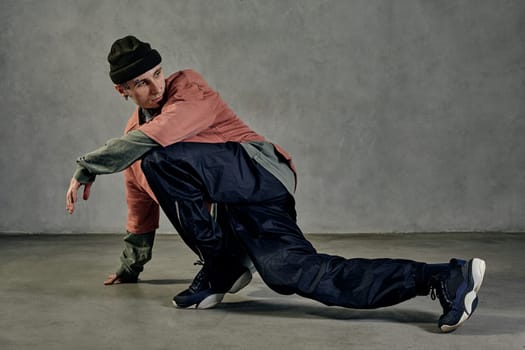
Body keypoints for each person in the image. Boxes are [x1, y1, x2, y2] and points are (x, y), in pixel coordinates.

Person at [66, 35, 486, 333]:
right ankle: (443, 278)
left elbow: (160, 135)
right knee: (295, 274)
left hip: (258, 177)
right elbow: (140, 203)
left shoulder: (188, 88)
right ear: (123, 90)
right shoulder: (132, 142)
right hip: (235, 208)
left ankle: (222, 267)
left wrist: (87, 166)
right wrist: (129, 266)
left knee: (155, 153)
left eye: (157, 73)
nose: (156, 85)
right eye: (142, 82)